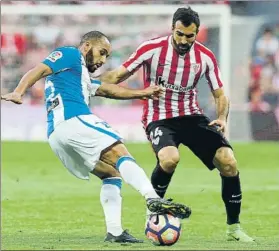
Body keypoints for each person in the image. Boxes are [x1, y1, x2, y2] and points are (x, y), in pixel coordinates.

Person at [1, 31, 191, 243]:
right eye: (101, 53)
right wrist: (19, 91)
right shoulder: (70, 54)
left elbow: (107, 90)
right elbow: (39, 69)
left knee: (110, 173)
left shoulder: (76, 75)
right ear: (86, 46)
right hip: (74, 119)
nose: (102, 60)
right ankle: (153, 198)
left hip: (57, 135)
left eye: (107, 57)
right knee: (120, 152)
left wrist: (143, 93)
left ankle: (115, 232)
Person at [100, 8, 255, 242]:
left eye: (189, 36)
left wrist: (222, 118)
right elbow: (116, 76)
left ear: (196, 33)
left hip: (191, 116)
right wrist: (89, 83)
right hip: (159, 117)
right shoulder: (150, 49)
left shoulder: (205, 57)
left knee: (228, 162)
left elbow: (220, 94)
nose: (184, 40)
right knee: (170, 159)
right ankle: (152, 212)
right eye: (180, 34)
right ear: (172, 29)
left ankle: (233, 228)